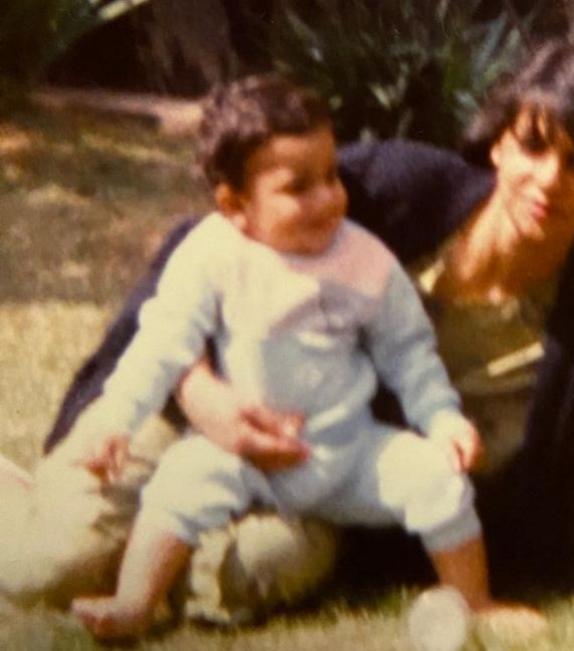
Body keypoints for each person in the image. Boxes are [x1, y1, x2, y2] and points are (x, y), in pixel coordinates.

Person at [5, 26, 574, 650]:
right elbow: (200, 257)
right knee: (45, 567)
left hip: (325, 487)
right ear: (500, 137)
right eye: (535, 144)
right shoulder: (387, 192)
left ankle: (154, 554)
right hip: (195, 407)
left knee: (237, 576)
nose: (548, 180)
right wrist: (203, 393)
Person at [60, 74, 521, 640]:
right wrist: (115, 419)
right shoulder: (212, 254)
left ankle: (475, 600)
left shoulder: (365, 261)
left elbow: (409, 352)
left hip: (348, 452)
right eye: (298, 187)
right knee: (179, 481)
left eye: (330, 175)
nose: (328, 197)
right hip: (244, 452)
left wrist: (443, 420)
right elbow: (162, 342)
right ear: (234, 204)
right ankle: (135, 601)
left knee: (438, 480)